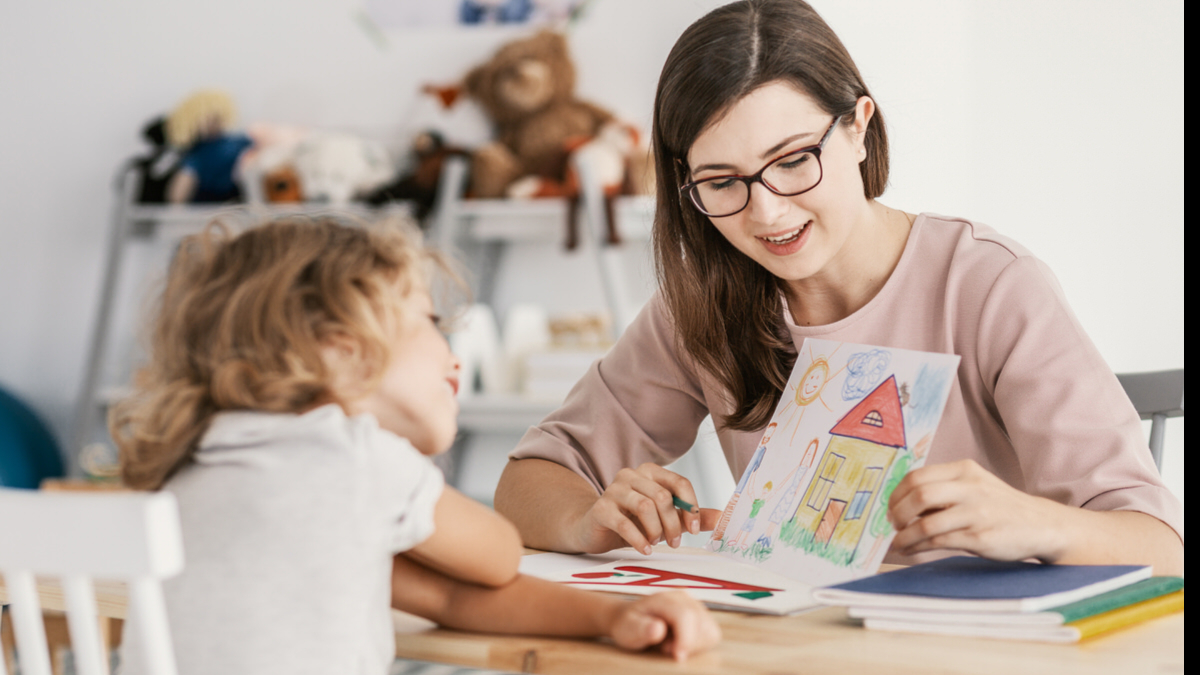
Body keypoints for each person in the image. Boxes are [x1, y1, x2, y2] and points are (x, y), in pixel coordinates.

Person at [494, 0, 1183, 575]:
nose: (767, 212)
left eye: (793, 161)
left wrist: (1034, 522)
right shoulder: (703, 304)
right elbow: (528, 482)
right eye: (722, 182)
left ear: (858, 127)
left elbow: (1161, 546)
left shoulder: (989, 284)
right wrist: (589, 517)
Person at [110, 216, 720, 675]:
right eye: (429, 321)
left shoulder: (194, 466)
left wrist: (613, 617)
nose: (450, 352)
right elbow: (496, 558)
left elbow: (446, 596)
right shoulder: (357, 460)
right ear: (339, 350)